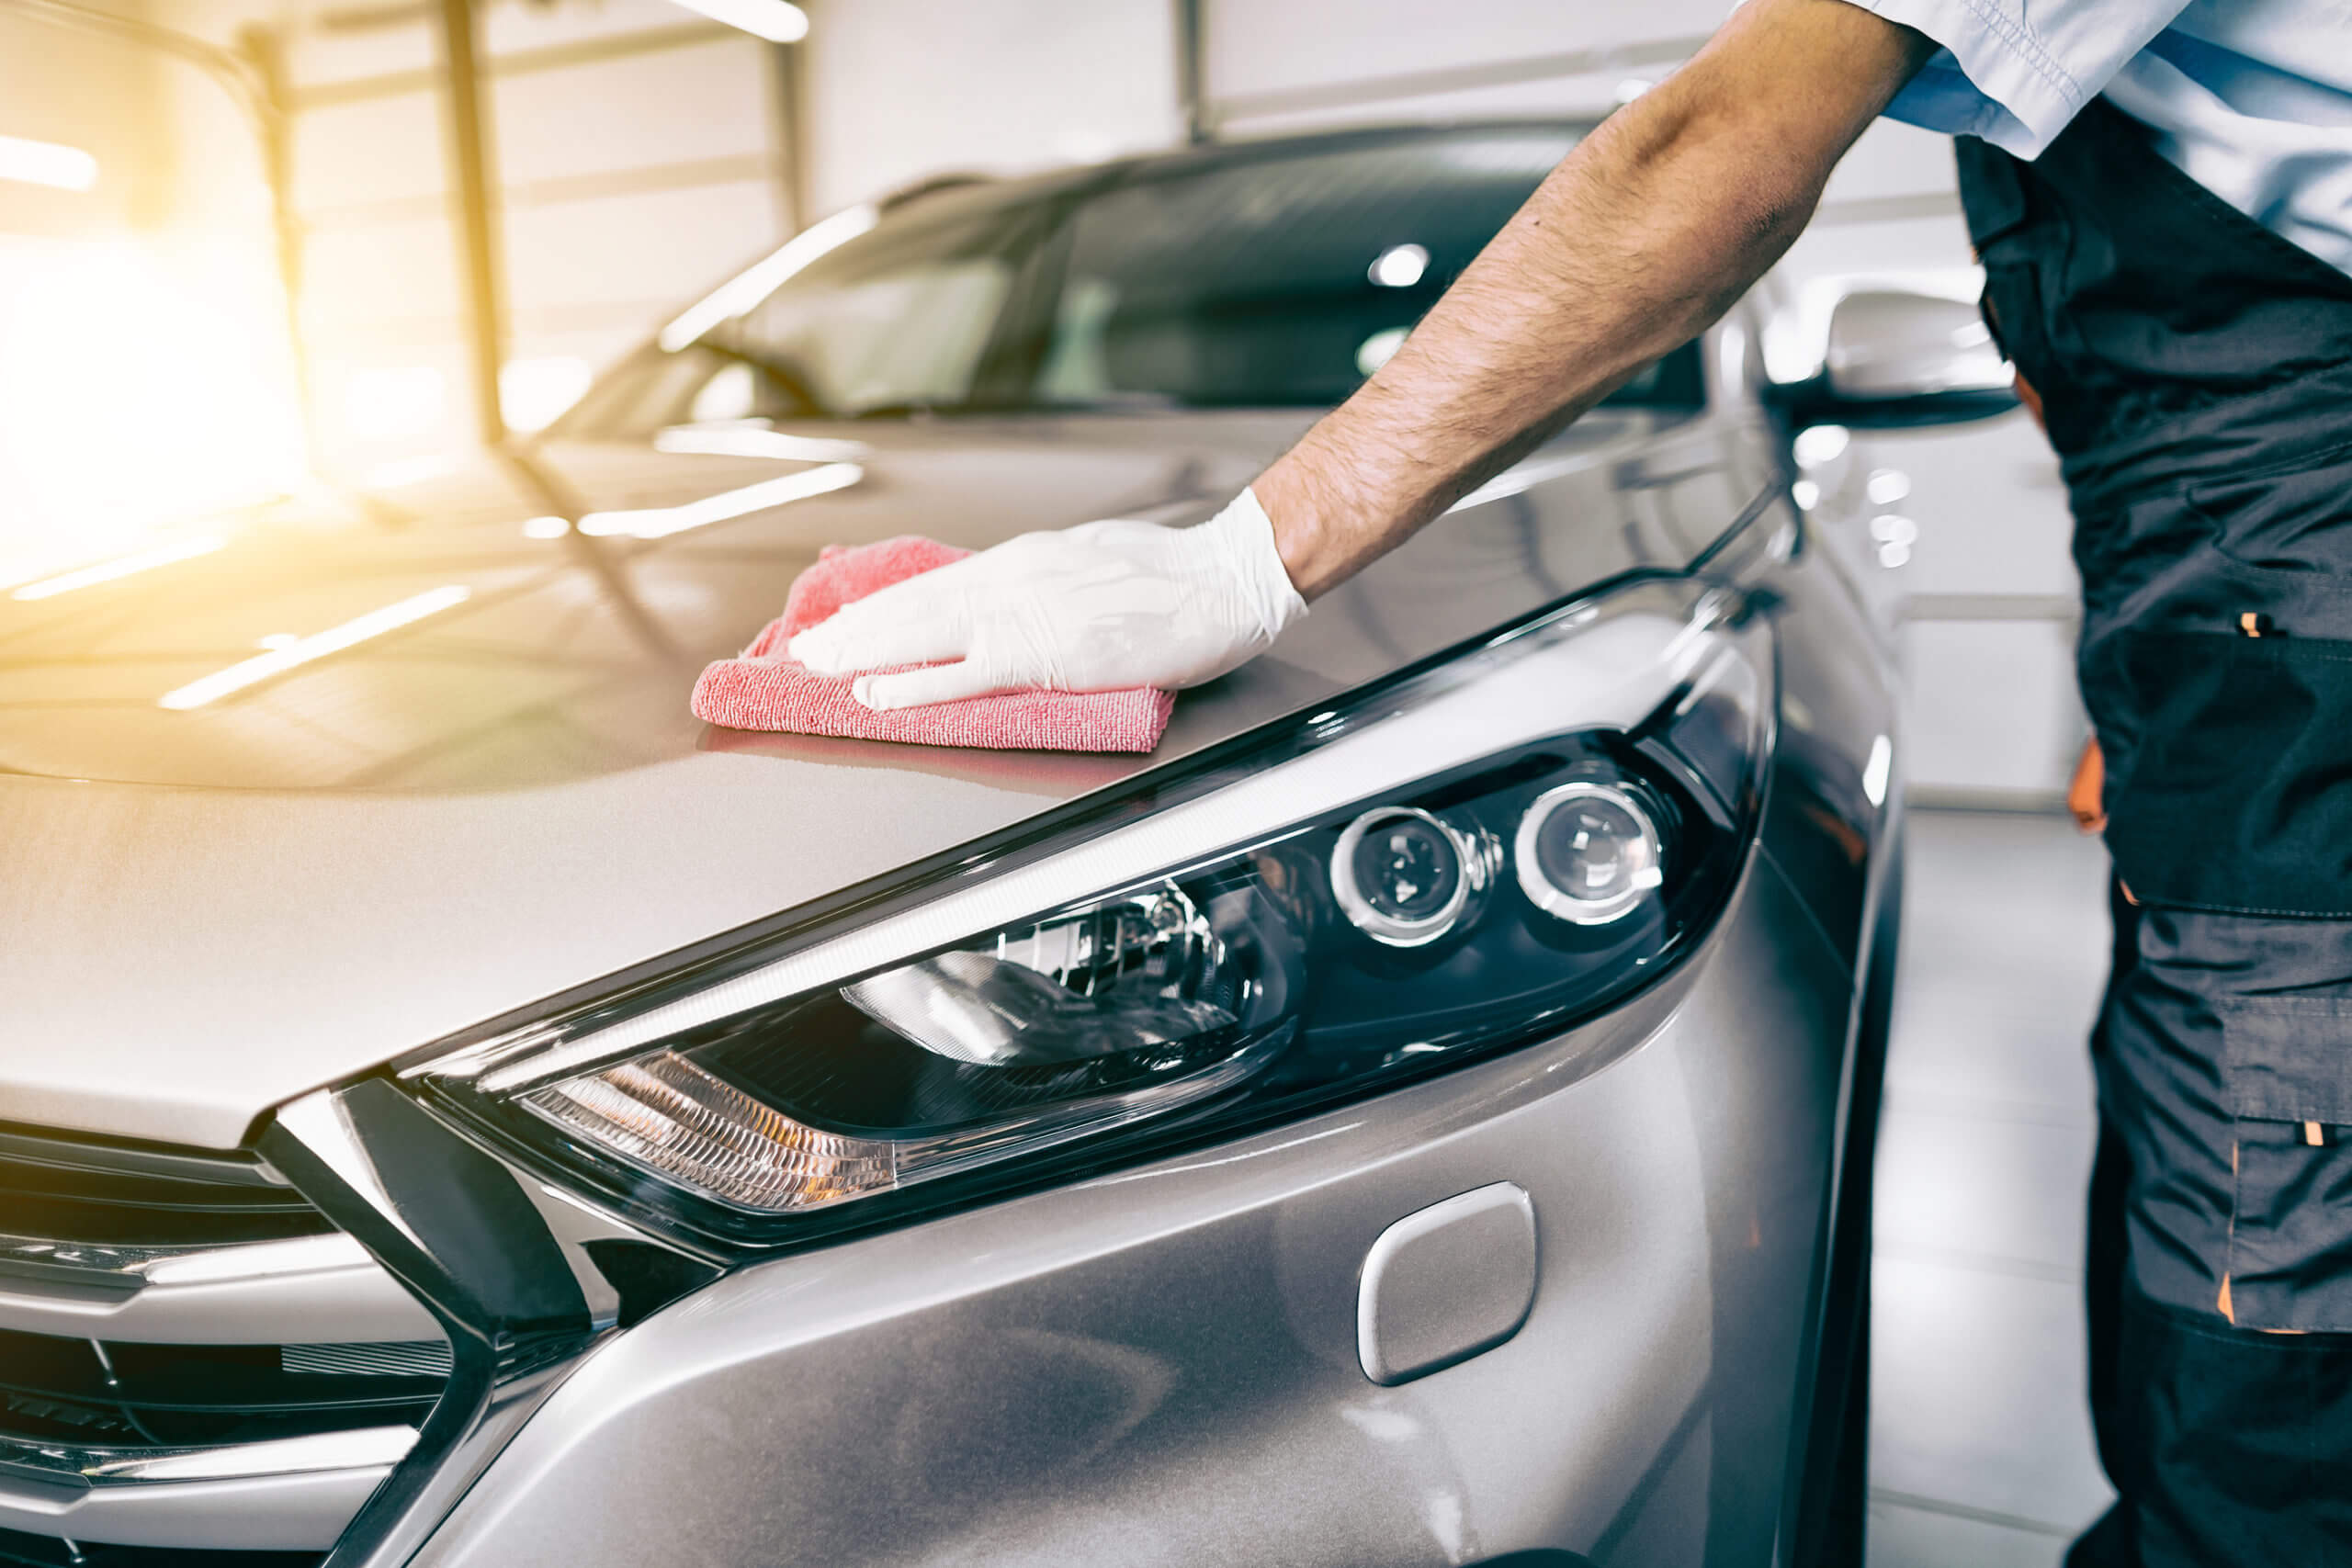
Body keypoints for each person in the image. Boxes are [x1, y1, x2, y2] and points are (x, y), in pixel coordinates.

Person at [793, 6, 2352, 1561]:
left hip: (2302, 600)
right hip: (2246, 639)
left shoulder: (1700, 539)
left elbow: (1721, 142)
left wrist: (1251, 554)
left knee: (2276, 1273)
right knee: (2212, 1148)